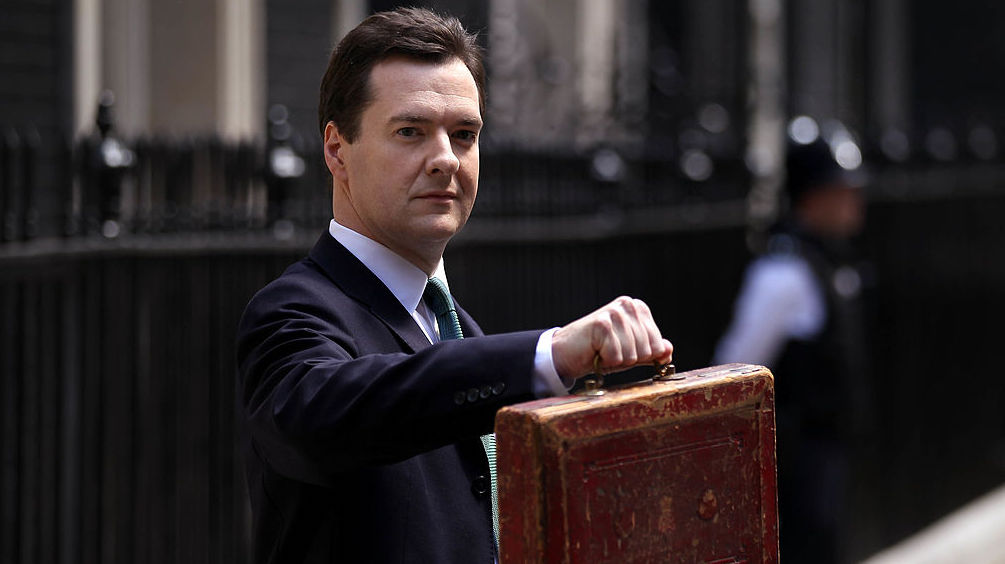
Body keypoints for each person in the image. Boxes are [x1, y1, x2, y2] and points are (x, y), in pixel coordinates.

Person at [236, 8, 673, 564]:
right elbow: (327, 417)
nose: (445, 158)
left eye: (464, 134)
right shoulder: (293, 312)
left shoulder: (456, 327)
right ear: (336, 150)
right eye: (410, 132)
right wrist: (550, 353)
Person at [714, 120, 872, 563]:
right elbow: (735, 366)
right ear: (812, 196)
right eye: (842, 191)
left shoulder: (831, 259)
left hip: (830, 453)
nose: (855, 203)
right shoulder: (782, 273)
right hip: (796, 461)